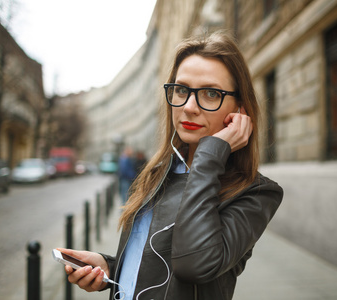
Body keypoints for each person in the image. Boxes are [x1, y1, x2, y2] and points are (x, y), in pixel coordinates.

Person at [58, 30, 283, 300]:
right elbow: (154, 260)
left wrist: (210, 155)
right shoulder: (157, 174)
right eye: (181, 89)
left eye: (211, 93)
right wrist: (111, 268)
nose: (189, 107)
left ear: (240, 111)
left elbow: (194, 265)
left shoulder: (255, 193)